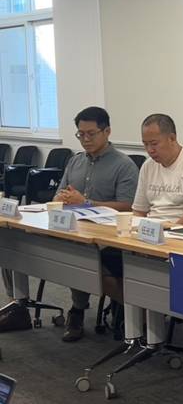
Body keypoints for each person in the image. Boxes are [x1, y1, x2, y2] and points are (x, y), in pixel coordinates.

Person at [0, 106, 139, 342]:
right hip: (69, 227)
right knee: (15, 240)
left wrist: (86, 203)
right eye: (80, 134)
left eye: (91, 134)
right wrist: (61, 199)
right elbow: (59, 194)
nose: (85, 139)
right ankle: (18, 303)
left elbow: (128, 207)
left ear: (107, 131)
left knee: (76, 255)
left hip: (105, 235)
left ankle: (78, 309)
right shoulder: (75, 161)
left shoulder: (123, 165)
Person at [132, 113, 183, 224]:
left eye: (154, 144)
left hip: (180, 228)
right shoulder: (148, 165)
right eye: (145, 144)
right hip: (151, 228)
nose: (150, 150)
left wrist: (168, 229)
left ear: (172, 138)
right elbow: (139, 210)